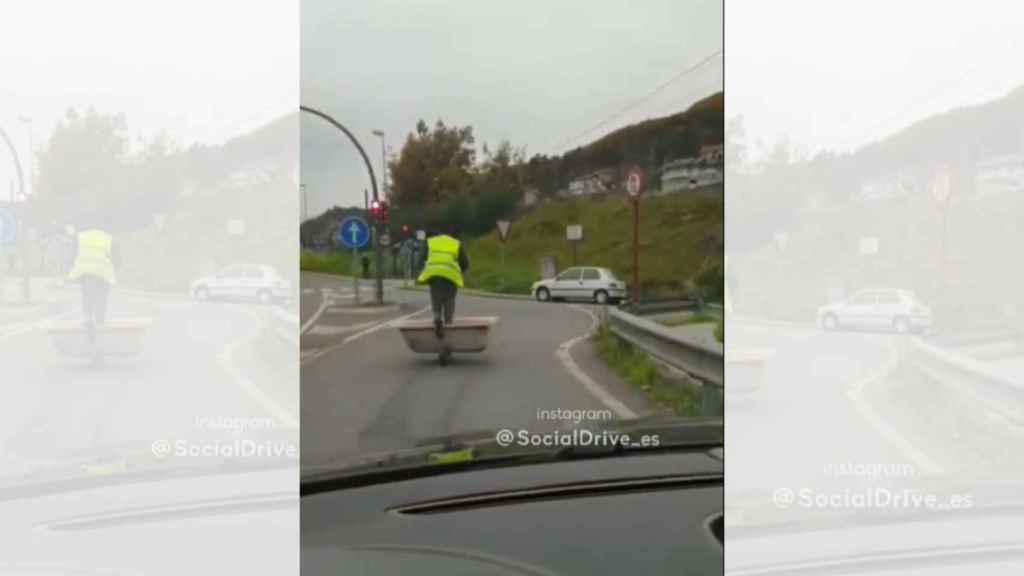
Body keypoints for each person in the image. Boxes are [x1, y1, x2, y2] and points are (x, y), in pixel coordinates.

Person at [67, 217, 120, 345]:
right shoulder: (108, 238)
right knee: (102, 296)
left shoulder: (80, 237)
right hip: (102, 272)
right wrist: (115, 268)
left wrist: (70, 268)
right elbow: (117, 259)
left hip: (85, 271)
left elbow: (72, 255)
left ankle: (88, 317)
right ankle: (100, 320)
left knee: (86, 295)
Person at [417, 226, 469, 340]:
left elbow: (420, 261)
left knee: (436, 297)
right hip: (451, 275)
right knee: (449, 300)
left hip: (435, 274)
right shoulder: (456, 243)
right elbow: (465, 263)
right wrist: (460, 270)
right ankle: (448, 323)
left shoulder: (429, 242)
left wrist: (423, 271)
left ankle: (437, 317)